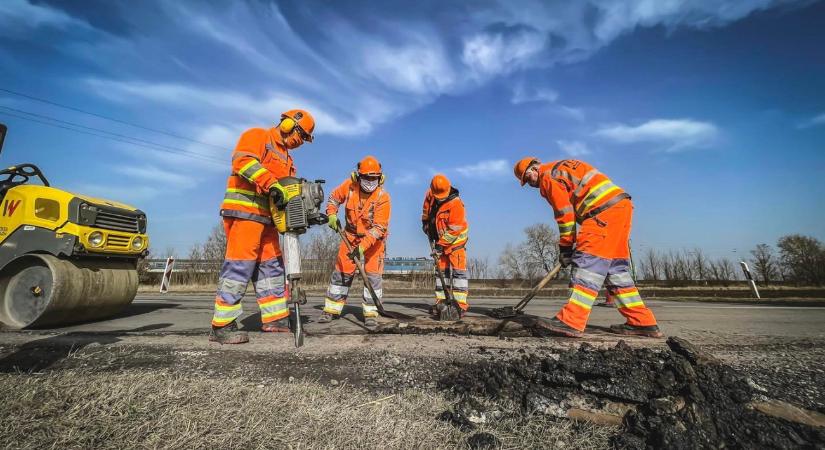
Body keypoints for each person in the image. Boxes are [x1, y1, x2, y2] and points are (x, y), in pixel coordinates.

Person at [513, 157, 662, 338]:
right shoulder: (563, 166)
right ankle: (643, 322)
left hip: (601, 214)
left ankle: (571, 321)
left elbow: (564, 214)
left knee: (587, 266)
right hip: (621, 208)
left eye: (527, 179)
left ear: (533, 169)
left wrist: (566, 246)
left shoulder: (547, 176)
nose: (530, 184)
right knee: (616, 272)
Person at [209, 110, 315, 344]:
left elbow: (287, 192)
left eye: (304, 139)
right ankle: (222, 325)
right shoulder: (258, 136)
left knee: (272, 268)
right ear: (287, 123)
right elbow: (242, 161)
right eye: (300, 133)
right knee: (240, 267)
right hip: (246, 211)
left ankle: (274, 319)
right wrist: (271, 184)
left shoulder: (289, 161)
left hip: (268, 219)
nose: (299, 141)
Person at [320, 156, 391, 329]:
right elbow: (333, 198)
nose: (370, 181)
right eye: (366, 177)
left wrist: (362, 247)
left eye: (373, 178)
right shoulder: (349, 187)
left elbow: (378, 228)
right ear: (358, 176)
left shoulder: (383, 197)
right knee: (342, 272)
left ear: (380, 178)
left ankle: (371, 312)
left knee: (373, 276)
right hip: (350, 236)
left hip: (373, 241)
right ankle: (331, 309)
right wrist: (331, 213)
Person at [421, 174, 469, 318]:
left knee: (458, 275)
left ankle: (460, 306)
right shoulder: (430, 194)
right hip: (440, 241)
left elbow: (454, 229)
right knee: (441, 274)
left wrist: (441, 245)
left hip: (456, 243)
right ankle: (441, 302)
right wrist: (425, 223)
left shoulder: (456, 204)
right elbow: (426, 210)